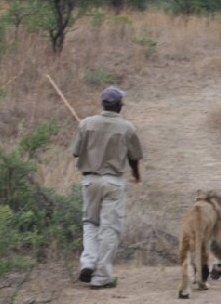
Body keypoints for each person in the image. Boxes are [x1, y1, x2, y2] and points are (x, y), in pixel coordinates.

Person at [71, 85, 143, 290]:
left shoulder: (86, 124)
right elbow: (134, 158)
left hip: (90, 180)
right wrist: (136, 176)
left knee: (90, 223)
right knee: (109, 228)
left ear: (103, 103)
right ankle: (101, 275)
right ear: (119, 105)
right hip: (113, 182)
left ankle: (88, 263)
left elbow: (76, 153)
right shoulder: (127, 128)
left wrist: (88, 137)